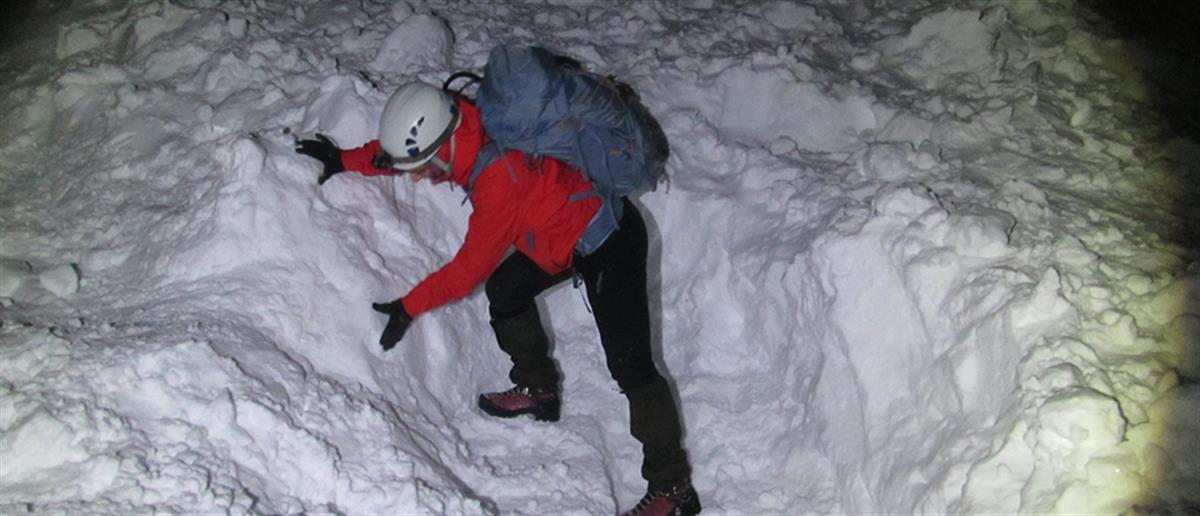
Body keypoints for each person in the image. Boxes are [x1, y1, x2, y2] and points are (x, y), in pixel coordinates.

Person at [296, 80, 700, 516]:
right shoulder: (466, 123)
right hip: (559, 230)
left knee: (631, 366)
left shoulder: (497, 183)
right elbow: (404, 151)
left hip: (608, 241)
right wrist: (344, 160)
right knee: (507, 289)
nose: (418, 176)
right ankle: (539, 388)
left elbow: (465, 272)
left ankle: (673, 488)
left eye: (423, 167)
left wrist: (407, 307)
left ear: (444, 147)